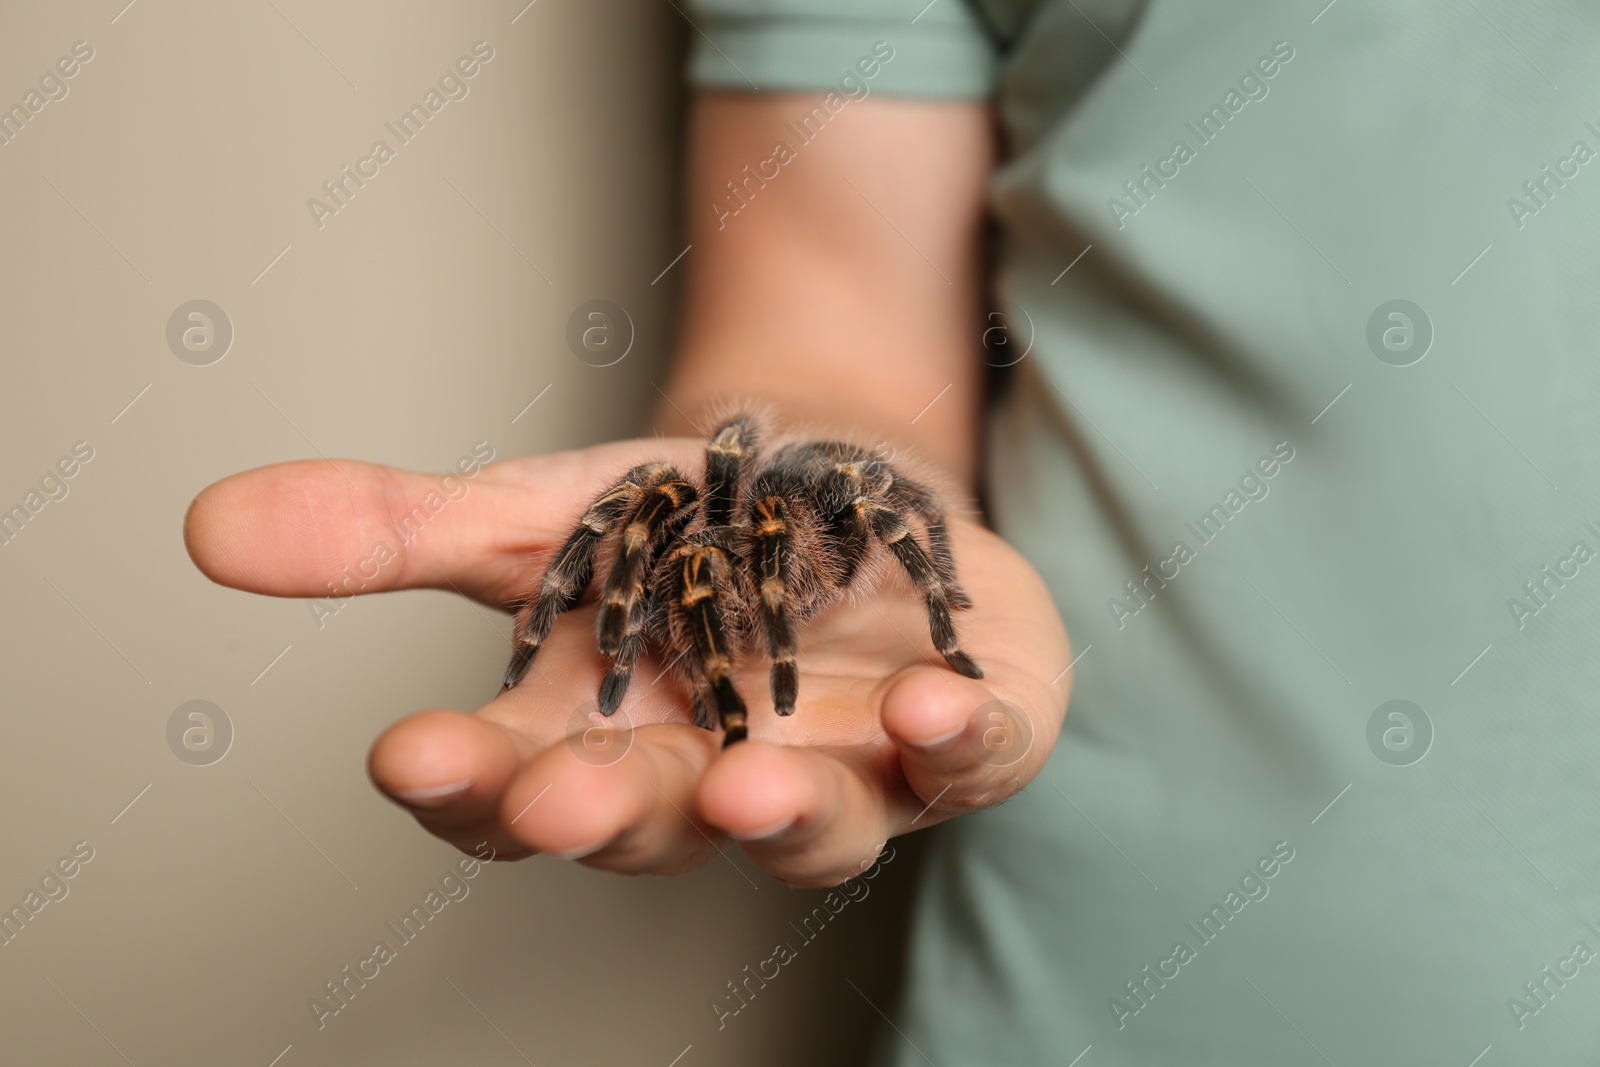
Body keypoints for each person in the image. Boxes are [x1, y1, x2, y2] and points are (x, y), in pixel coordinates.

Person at [186, 1, 1600, 1063]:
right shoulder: (693, 534)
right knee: (672, 517)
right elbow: (834, 354)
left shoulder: (825, 524)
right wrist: (622, 676)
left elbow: (862, 492)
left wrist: (908, 595)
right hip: (1108, 1000)